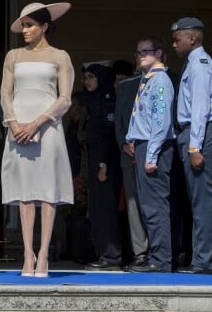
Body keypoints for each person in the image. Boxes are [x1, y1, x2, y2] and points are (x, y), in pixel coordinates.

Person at [0, 2, 74, 278]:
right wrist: (15, 123)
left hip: (47, 128)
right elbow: (5, 94)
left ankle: (44, 254)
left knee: (47, 191)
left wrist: (37, 123)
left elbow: (65, 98)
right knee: (25, 193)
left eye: (30, 25)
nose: (25, 30)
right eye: (23, 25)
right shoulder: (13, 56)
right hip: (18, 128)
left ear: (44, 27)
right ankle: (28, 254)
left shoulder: (60, 56)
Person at [171, 16, 212, 275]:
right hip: (195, 133)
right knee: (198, 201)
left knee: (203, 201)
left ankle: (205, 262)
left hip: (201, 134)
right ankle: (201, 259)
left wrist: (194, 147)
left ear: (192, 38)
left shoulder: (200, 65)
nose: (174, 44)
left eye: (177, 39)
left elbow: (201, 107)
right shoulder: (193, 64)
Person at [125, 37, 175, 273]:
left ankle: (161, 259)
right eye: (138, 52)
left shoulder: (161, 81)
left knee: (155, 206)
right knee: (148, 205)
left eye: (147, 51)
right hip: (144, 144)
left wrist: (152, 156)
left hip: (155, 146)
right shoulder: (147, 81)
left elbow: (161, 122)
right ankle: (157, 255)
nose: (141, 55)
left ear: (159, 53)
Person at [83, 63, 123, 271]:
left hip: (104, 163)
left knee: (106, 210)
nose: (87, 81)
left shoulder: (107, 102)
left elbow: (108, 137)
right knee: (97, 209)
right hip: (94, 162)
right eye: (86, 77)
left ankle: (111, 254)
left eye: (92, 77)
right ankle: (103, 252)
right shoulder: (93, 102)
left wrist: (103, 164)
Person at [114, 59, 149, 270]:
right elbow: (118, 120)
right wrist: (123, 143)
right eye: (140, 53)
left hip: (157, 152)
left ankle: (164, 251)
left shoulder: (171, 79)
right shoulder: (126, 85)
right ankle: (141, 252)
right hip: (129, 153)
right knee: (134, 204)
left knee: (157, 204)